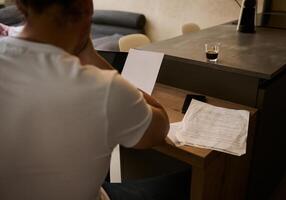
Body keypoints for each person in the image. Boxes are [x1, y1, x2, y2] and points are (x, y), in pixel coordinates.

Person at [0, 1, 190, 200]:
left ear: (20, 5)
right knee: (184, 181)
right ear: (87, 10)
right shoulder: (106, 88)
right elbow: (159, 130)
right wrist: (91, 56)